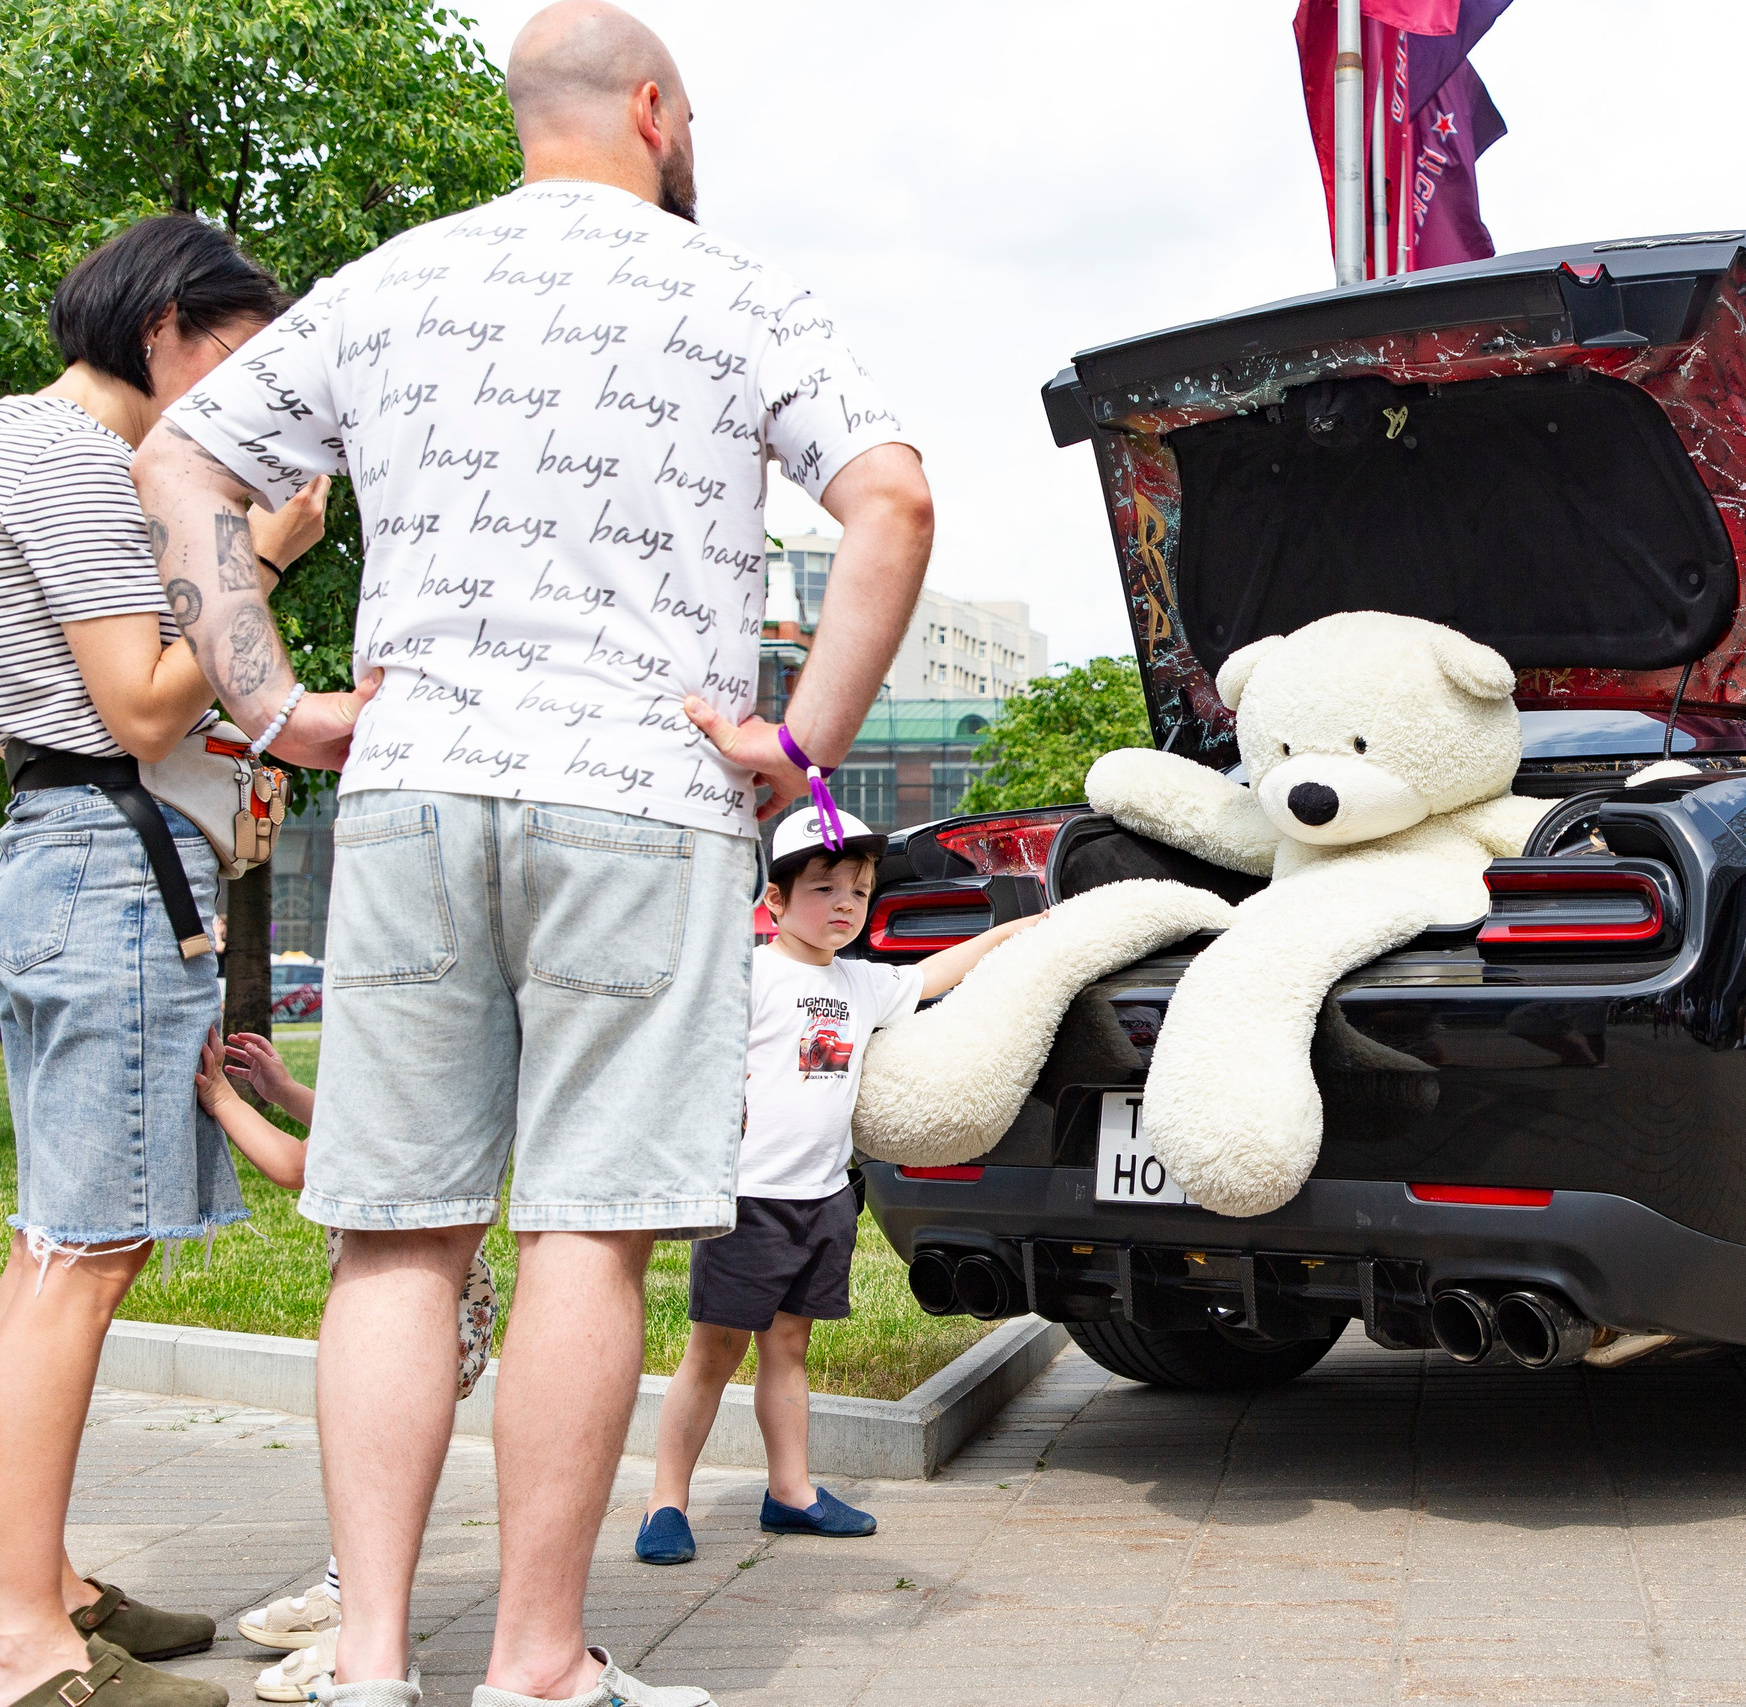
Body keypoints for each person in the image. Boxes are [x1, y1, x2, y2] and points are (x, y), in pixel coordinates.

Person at [129, 3, 932, 1701]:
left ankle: (365, 1662)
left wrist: (270, 699)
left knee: (395, 1235)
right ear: (653, 110)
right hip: (642, 800)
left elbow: (178, 449)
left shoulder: (394, 282)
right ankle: (538, 1664)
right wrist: (799, 745)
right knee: (588, 1232)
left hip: (418, 789)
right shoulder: (739, 292)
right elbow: (893, 501)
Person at [0, 214, 328, 1707]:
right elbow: (141, 699)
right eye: (246, 356)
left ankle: (44, 1576)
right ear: (171, 327)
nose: (253, 401)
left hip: (80, 857)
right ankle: (28, 1638)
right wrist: (253, 553)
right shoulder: (68, 453)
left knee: (52, 1245)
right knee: (83, 1252)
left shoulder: (54, 450)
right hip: (106, 858)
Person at [637, 808, 1040, 1563]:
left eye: (859, 889)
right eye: (825, 888)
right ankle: (666, 1502)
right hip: (747, 1198)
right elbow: (689, 1051)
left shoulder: (859, 983)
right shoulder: (752, 972)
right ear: (777, 902)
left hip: (823, 1198)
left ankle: (790, 1491)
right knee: (713, 1351)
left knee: (789, 1345)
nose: (846, 903)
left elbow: (936, 974)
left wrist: (1018, 934)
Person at [194, 1032, 498, 1703]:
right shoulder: (421, 1089)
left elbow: (293, 1163)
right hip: (453, 1301)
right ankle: (342, 1594)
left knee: (376, 1461)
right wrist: (284, 1093)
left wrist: (221, 1097)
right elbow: (346, 1125)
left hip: (423, 1321)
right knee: (375, 1466)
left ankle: (355, 1616)